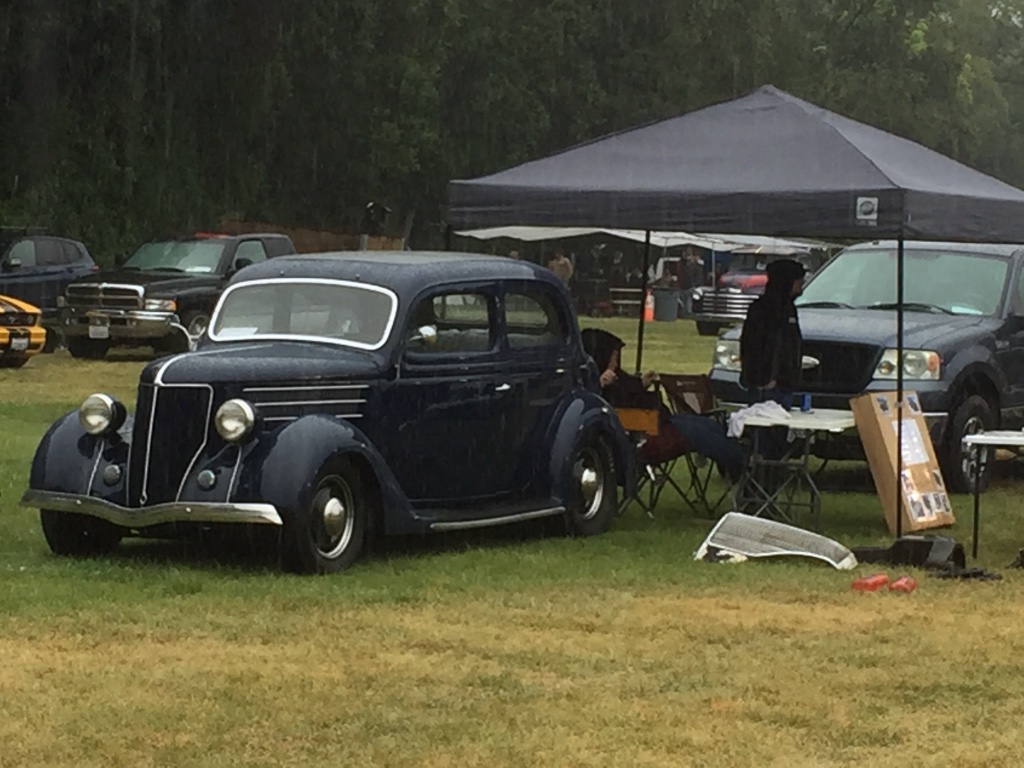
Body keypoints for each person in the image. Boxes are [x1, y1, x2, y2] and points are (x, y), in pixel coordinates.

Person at [581, 328, 745, 482]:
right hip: (641, 436)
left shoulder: (616, 376)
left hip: (658, 422)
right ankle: (741, 463)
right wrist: (599, 384)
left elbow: (628, 389)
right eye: (613, 358)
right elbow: (603, 403)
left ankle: (737, 459)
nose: (615, 363)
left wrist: (642, 383)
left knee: (704, 423)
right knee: (697, 432)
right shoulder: (588, 383)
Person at [739, 258, 806, 409]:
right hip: (768, 385)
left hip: (785, 383)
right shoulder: (764, 309)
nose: (802, 284)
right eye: (798, 280)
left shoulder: (789, 308)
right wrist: (765, 378)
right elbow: (754, 345)